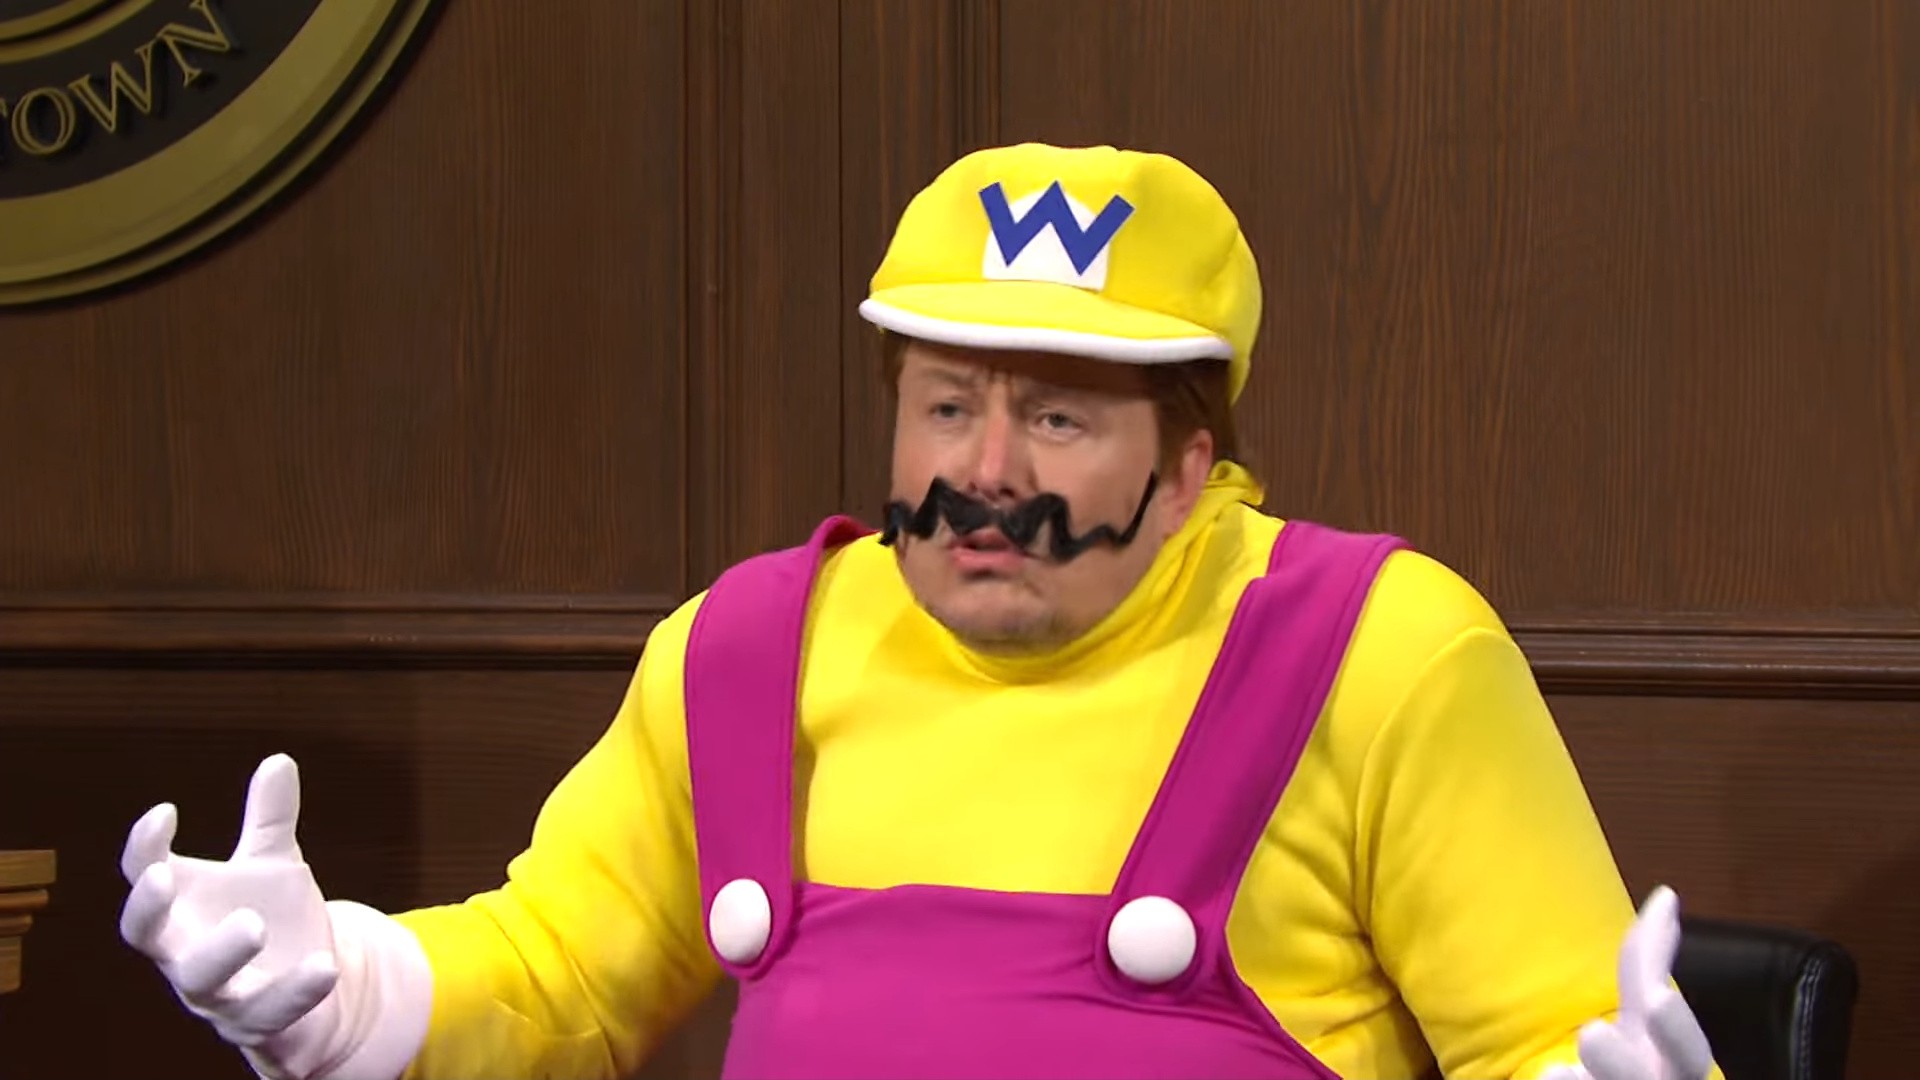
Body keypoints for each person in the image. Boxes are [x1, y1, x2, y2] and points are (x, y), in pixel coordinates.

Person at [117, 142, 1720, 1080]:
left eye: (1060, 418)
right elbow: (555, 977)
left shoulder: (1382, 654)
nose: (987, 474)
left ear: (1192, 463)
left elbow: (1561, 1036)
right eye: (948, 406)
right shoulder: (748, 654)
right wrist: (344, 991)